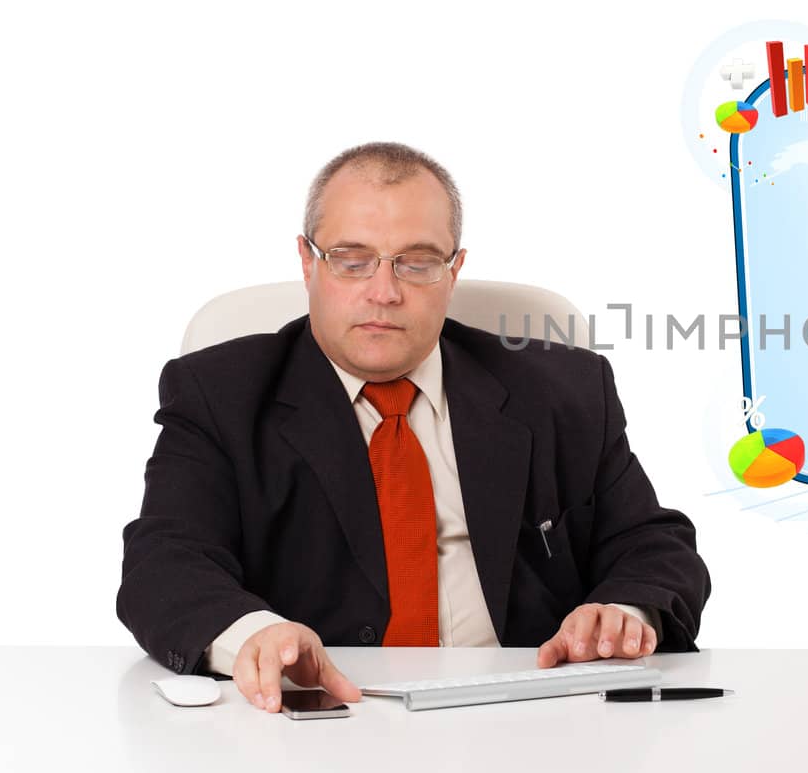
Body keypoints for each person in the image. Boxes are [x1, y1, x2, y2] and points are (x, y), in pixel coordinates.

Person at [117, 142, 710, 713]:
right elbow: (164, 562)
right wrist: (256, 637)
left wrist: (625, 610)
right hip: (320, 718)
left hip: (530, 715)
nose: (384, 292)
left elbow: (654, 545)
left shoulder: (563, 390)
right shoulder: (220, 393)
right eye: (352, 260)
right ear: (307, 262)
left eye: (417, 262)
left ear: (453, 270)